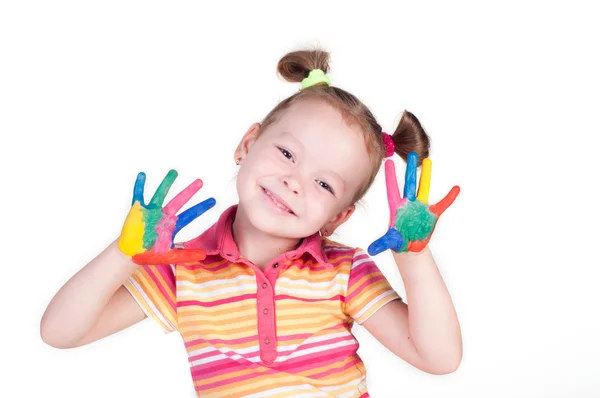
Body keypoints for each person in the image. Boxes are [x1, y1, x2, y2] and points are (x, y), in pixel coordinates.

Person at [41, 48, 462, 397]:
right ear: (248, 143)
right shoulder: (185, 271)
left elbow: (439, 358)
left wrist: (413, 258)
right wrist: (123, 254)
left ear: (337, 217)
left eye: (322, 183)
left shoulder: (344, 272)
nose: (293, 182)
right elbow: (60, 332)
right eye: (287, 154)